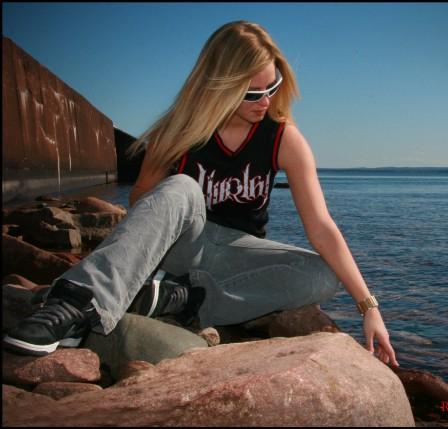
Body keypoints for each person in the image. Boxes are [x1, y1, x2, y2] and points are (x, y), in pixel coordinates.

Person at [3, 21, 399, 367]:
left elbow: (322, 227)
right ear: (221, 86)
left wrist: (368, 306)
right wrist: (177, 203)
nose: (266, 102)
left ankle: (182, 300)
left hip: (236, 252)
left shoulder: (283, 139)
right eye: (251, 93)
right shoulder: (180, 131)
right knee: (180, 187)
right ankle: (73, 304)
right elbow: (140, 198)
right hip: (182, 244)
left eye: (272, 86)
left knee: (326, 273)